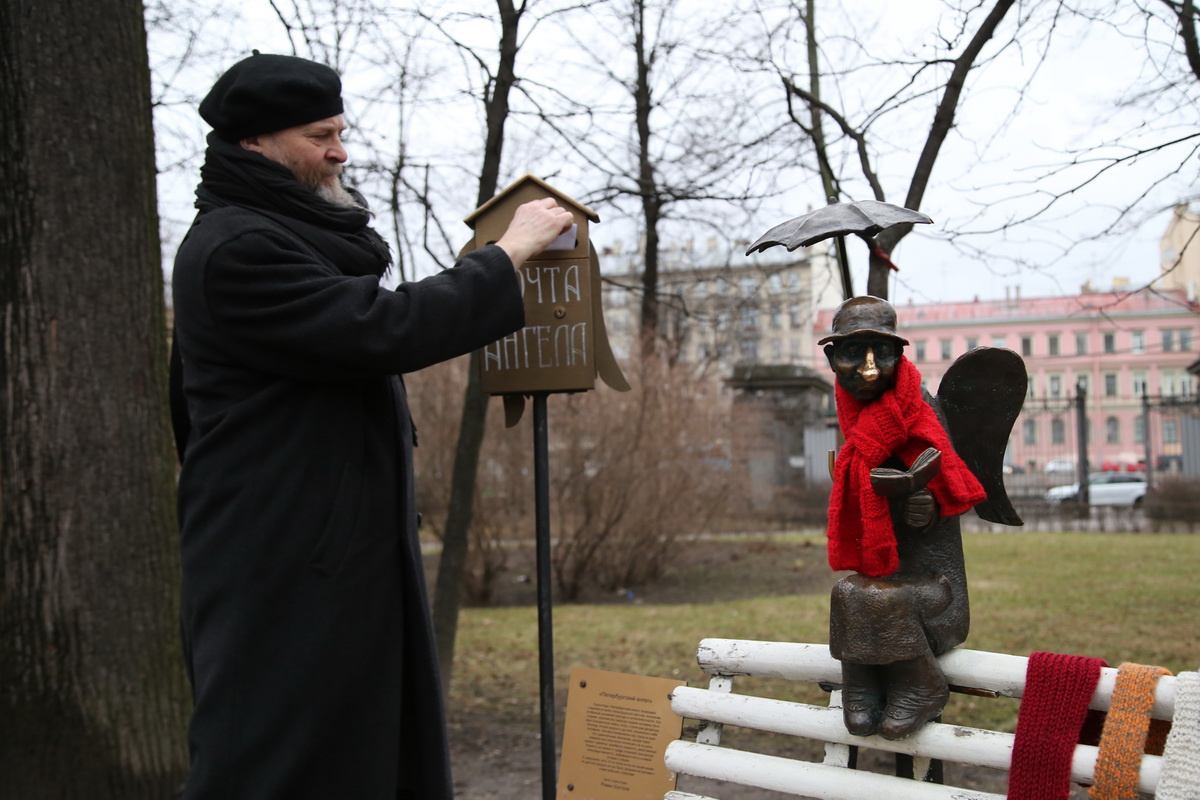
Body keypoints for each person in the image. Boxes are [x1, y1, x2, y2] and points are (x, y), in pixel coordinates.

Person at [169, 52, 573, 799]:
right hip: (281, 567)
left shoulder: (272, 239)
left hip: (318, 554)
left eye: (340, 131)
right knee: (273, 761)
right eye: (319, 134)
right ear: (254, 142)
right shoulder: (237, 248)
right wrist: (507, 255)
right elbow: (382, 329)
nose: (339, 151)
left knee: (352, 757)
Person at [820, 296, 988, 740]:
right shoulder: (857, 415)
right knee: (847, 591)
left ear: (900, 354)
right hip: (889, 584)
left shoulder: (921, 413)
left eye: (883, 353)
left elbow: (949, 487)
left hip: (939, 592)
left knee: (874, 599)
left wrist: (928, 506)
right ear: (832, 357)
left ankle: (922, 685)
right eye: (854, 353)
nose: (870, 369)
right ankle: (862, 685)